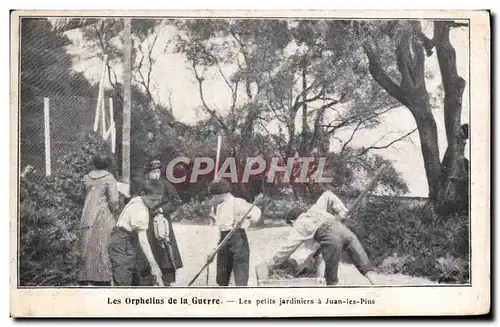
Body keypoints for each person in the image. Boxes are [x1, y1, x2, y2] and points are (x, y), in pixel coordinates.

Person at [256, 189, 377, 286]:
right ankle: (378, 287)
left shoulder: (299, 224)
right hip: (346, 232)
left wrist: (272, 263)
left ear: (293, 220)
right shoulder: (316, 209)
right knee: (366, 268)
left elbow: (288, 248)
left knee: (331, 280)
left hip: (332, 240)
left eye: (291, 224)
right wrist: (341, 212)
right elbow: (328, 194)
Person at [108, 179, 165, 286]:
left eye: (158, 200)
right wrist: (154, 266)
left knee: (137, 275)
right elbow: (143, 240)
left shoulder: (138, 200)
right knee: (123, 279)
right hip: (122, 243)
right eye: (152, 200)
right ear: (143, 194)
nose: (155, 203)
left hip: (127, 241)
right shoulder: (140, 209)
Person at [136, 159, 184, 286]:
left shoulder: (165, 184)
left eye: (158, 171)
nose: (156, 174)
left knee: (165, 250)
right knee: (147, 249)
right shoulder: (143, 185)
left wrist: (163, 210)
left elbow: (176, 200)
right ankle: (149, 279)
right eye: (153, 172)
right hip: (146, 222)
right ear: (147, 174)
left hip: (162, 222)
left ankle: (168, 280)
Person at [207, 178, 262, 286]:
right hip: (223, 241)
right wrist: (213, 250)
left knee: (240, 274)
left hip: (238, 240)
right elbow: (218, 229)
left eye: (213, 196)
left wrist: (249, 216)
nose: (212, 198)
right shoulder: (218, 208)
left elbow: (256, 213)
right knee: (222, 276)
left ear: (221, 194)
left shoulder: (238, 202)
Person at [77, 154, 118, 286]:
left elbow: (82, 196)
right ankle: (102, 277)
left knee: (87, 245)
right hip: (102, 215)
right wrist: (115, 210)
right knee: (102, 245)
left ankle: (86, 276)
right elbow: (113, 201)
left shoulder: (86, 178)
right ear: (107, 164)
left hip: (87, 214)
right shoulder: (109, 178)